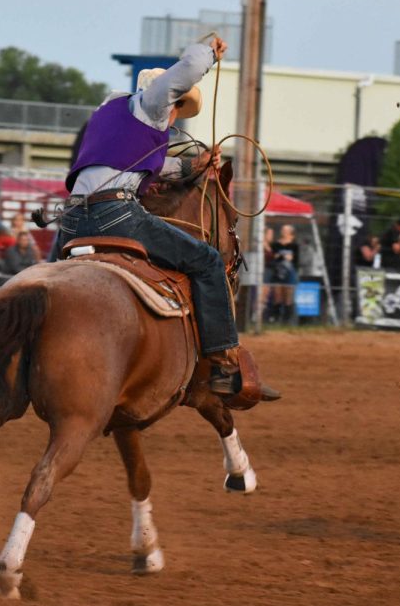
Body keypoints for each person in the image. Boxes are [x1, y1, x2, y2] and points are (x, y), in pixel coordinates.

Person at [55, 36, 278, 401]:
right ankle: (223, 363)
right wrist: (208, 49)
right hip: (115, 215)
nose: (175, 117)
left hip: (71, 221)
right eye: (178, 107)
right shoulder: (153, 105)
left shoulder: (109, 117)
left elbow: (149, 167)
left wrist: (193, 165)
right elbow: (189, 68)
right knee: (206, 260)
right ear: (167, 100)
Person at [268, 224, 300, 323]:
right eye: (282, 229)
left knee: (288, 296)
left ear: (291, 233)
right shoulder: (275, 245)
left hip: (290, 272)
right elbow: (272, 258)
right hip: (278, 272)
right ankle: (275, 318)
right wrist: (278, 257)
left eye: (285, 230)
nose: (283, 231)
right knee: (277, 295)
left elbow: (297, 260)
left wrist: (288, 258)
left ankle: (287, 319)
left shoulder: (295, 245)